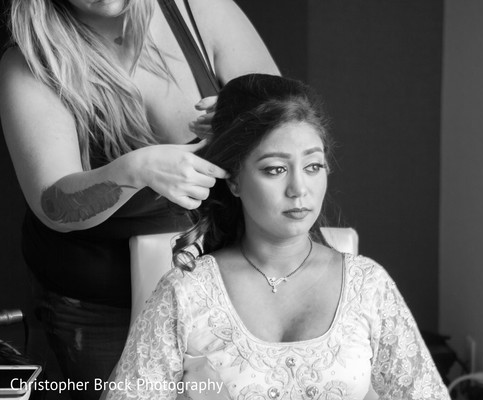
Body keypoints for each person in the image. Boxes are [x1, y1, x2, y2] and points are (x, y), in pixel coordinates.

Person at [107, 74, 450, 400]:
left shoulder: (368, 285)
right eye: (275, 169)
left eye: (313, 166)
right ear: (235, 180)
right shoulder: (186, 293)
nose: (299, 190)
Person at [0, 0, 278, 398]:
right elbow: (54, 205)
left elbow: (286, 122)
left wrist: (247, 118)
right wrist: (136, 170)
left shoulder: (198, 9)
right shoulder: (28, 63)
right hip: (101, 309)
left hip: (224, 288)